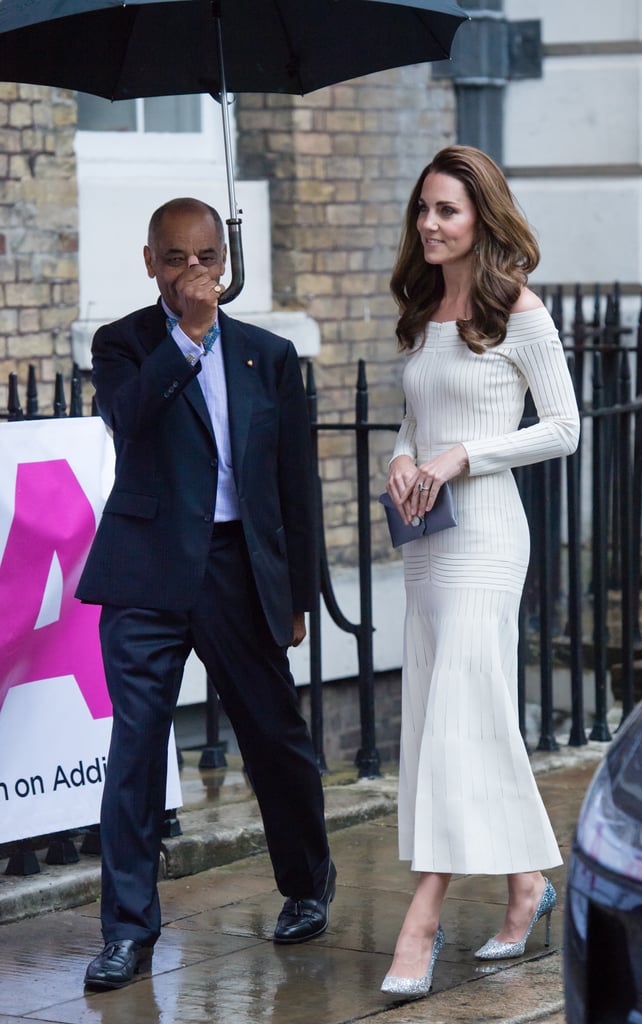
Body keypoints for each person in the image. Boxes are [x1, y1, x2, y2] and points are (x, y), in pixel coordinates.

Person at [76, 197, 335, 991]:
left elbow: (295, 485)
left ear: (227, 261)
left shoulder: (268, 354)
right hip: (147, 572)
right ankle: (127, 928)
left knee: (274, 735)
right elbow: (125, 417)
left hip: (236, 568)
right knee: (134, 750)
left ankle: (305, 886)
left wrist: (296, 593)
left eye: (207, 258)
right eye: (178, 259)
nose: (196, 273)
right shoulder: (123, 343)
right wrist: (185, 337)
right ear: (151, 263)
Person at [381, 146, 580, 998]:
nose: (429, 224)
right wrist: (400, 455)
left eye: (447, 212)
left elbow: (564, 428)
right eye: (423, 208)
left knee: (460, 715)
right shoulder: (424, 305)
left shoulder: (519, 312)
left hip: (488, 537)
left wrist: (468, 454)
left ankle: (420, 921)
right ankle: (529, 884)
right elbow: (412, 414)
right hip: (427, 538)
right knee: (455, 715)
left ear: (481, 219)